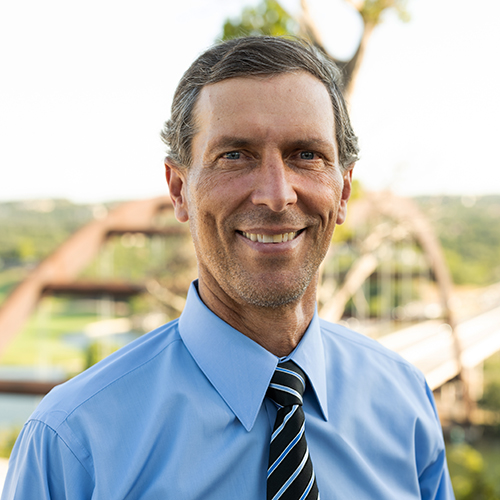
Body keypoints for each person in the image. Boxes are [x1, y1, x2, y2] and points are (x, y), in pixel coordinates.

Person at [2, 36, 455, 499]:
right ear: (179, 189)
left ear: (343, 192)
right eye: (234, 155)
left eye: (306, 155)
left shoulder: (405, 402)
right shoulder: (74, 442)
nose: (276, 195)